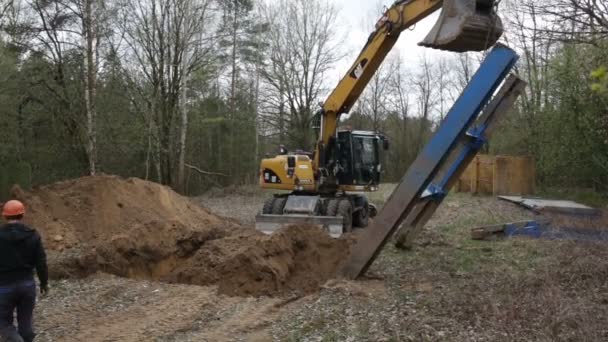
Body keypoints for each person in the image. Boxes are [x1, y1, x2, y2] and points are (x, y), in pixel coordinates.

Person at [0, 200, 48, 342]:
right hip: (27, 285)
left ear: (4, 216)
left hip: (4, 287)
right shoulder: (33, 235)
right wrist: (44, 283)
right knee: (26, 323)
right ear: (22, 214)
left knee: (4, 323)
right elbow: (41, 262)